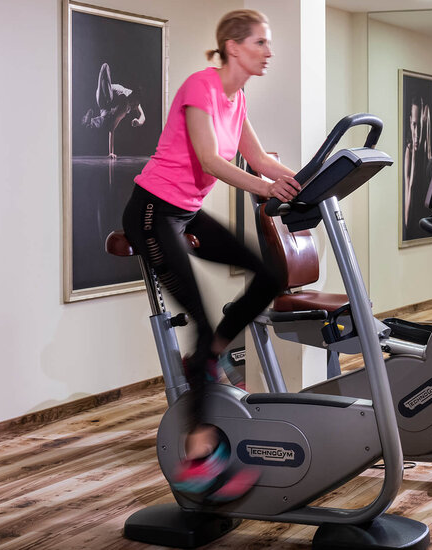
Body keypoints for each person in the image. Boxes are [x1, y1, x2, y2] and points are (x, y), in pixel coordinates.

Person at [121, 9, 300, 503]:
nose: (268, 51)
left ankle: (211, 352)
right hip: (153, 212)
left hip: (186, 211)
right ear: (234, 47)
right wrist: (265, 188)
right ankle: (197, 450)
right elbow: (210, 161)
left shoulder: (237, 97)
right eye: (261, 42)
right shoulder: (200, 86)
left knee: (268, 274)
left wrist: (307, 181)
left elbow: (259, 159)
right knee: (199, 317)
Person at [81, 63, 146, 159]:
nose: (134, 106)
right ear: (131, 97)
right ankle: (105, 68)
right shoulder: (124, 102)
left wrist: (138, 122)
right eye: (133, 103)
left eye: (135, 104)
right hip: (107, 93)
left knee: (104, 118)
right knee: (109, 101)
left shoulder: (136, 103)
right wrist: (111, 152)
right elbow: (112, 128)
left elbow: (143, 117)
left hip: (105, 106)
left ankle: (89, 122)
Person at [402, 95, 432, 237]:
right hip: (413, 227)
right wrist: (414, 163)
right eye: (414, 125)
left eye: (420, 125)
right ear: (409, 122)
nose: (416, 133)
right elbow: (407, 222)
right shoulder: (408, 151)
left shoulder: (429, 155)